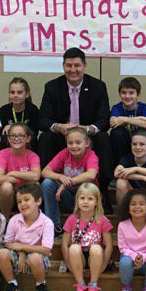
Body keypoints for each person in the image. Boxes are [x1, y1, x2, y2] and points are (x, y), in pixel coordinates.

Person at [36, 48, 112, 187]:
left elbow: (104, 119)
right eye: (68, 65)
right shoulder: (52, 87)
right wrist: (59, 127)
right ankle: (45, 186)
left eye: (77, 65)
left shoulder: (98, 86)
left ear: (84, 66)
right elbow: (43, 119)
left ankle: (103, 189)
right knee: (45, 137)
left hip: (87, 137)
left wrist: (88, 129)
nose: (73, 70)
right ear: (63, 66)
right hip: (63, 135)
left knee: (103, 138)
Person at [0, 182, 56, 291]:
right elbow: (8, 243)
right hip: (18, 258)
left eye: (26, 199)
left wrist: (22, 247)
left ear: (38, 201)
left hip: (38, 261)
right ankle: (12, 284)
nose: (22, 204)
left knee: (34, 258)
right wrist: (22, 253)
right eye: (19, 201)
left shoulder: (47, 222)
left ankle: (41, 284)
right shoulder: (14, 220)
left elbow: (46, 249)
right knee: (1, 253)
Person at [40, 126, 99, 233]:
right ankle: (54, 227)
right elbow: (44, 171)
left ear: (87, 144)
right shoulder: (64, 153)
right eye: (70, 143)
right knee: (47, 183)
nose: (74, 146)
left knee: (86, 184)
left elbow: (91, 175)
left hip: (86, 199)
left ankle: (85, 226)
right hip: (67, 199)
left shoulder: (91, 155)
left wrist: (65, 184)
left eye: (78, 142)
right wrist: (60, 177)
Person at [62, 182, 113, 291]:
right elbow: (65, 244)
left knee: (96, 248)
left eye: (90, 199)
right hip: (77, 257)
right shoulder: (72, 219)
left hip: (96, 258)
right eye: (82, 198)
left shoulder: (102, 220)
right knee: (73, 247)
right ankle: (80, 285)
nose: (85, 202)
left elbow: (109, 246)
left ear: (97, 202)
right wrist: (69, 264)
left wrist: (103, 266)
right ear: (77, 200)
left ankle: (93, 286)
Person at [0, 123, 41, 217]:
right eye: (13, 136)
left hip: (25, 191)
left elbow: (36, 176)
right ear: (8, 138)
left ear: (28, 138)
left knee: (36, 185)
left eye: (20, 136)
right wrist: (23, 179)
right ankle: (5, 221)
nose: (16, 138)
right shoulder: (2, 154)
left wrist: (12, 173)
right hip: (6, 194)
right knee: (7, 186)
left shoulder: (33, 156)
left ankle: (30, 221)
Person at [113, 128, 146, 206]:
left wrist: (136, 169)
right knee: (121, 182)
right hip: (131, 196)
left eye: (142, 144)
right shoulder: (126, 159)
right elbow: (117, 173)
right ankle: (124, 216)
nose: (137, 147)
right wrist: (143, 178)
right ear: (131, 145)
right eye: (134, 144)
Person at [109, 76, 146, 165]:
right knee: (117, 132)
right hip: (124, 144)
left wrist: (124, 119)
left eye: (131, 93)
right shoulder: (117, 107)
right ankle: (119, 166)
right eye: (123, 93)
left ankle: (145, 165)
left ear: (138, 94)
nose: (127, 96)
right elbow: (113, 122)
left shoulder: (144, 107)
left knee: (144, 133)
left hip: (141, 144)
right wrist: (141, 119)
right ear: (119, 94)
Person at [0, 77, 41, 150]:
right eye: (12, 92)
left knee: (32, 138)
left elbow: (35, 132)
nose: (15, 95)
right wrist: (4, 128)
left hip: (27, 141)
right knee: (4, 138)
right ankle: (5, 159)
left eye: (19, 92)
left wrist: (15, 129)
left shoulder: (33, 109)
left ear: (27, 94)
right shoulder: (4, 110)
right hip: (10, 140)